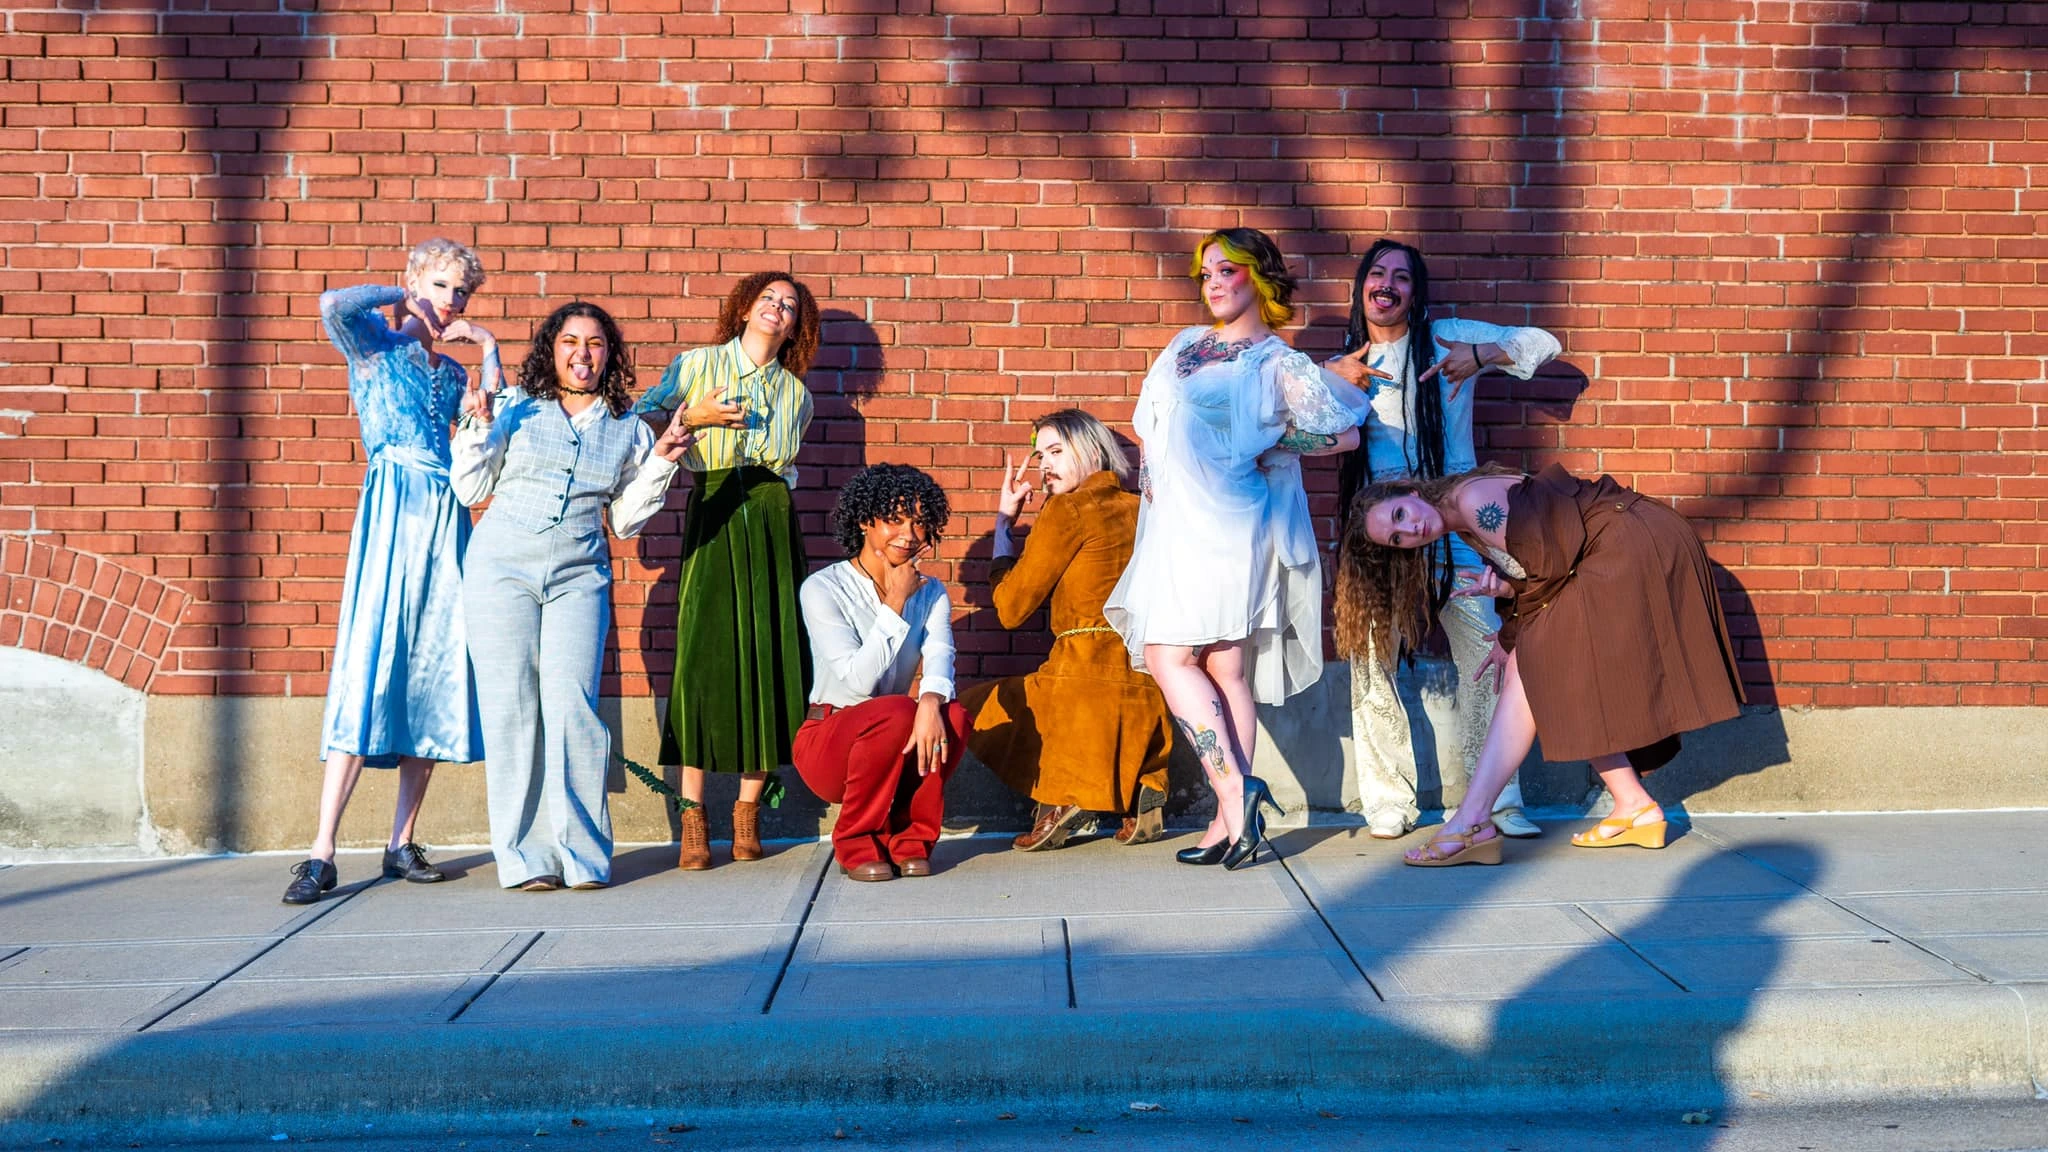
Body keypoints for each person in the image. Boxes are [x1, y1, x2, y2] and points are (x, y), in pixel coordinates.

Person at [1103, 227, 1368, 871]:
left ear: (1260, 277)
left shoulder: (1276, 361)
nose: (1214, 282)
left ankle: (1235, 789)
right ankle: (1232, 825)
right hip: (1173, 523)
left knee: (1168, 654)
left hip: (1228, 523)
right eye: (1206, 273)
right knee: (1223, 668)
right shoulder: (1185, 344)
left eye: (1228, 269)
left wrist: (1276, 446)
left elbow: (1343, 438)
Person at [1335, 464, 1746, 867]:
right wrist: (1508, 596)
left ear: (1409, 491)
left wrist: (1512, 634)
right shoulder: (1462, 516)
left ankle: (1472, 819)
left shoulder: (1473, 502)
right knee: (1554, 670)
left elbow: (1550, 569)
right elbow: (1543, 564)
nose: (1409, 531)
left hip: (1631, 542)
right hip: (1625, 543)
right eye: (1396, 538)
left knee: (1534, 662)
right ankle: (1633, 805)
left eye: (1400, 515)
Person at [1323, 238, 1563, 842]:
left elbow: (1545, 344)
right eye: (1376, 274)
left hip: (1455, 521)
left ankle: (1499, 795)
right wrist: (1328, 378)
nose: (1387, 285)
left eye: (1401, 277)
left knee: (1485, 647)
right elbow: (1288, 418)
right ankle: (1387, 800)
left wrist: (1481, 356)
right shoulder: (1341, 364)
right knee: (1372, 658)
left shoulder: (1447, 337)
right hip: (1385, 534)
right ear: (1361, 287)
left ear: (1415, 292)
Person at [454, 302, 695, 891]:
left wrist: (662, 459)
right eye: (569, 341)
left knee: (573, 707)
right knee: (512, 710)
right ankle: (526, 859)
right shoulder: (512, 408)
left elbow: (627, 522)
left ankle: (582, 858)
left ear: (609, 354)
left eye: (594, 343)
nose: (582, 353)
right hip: (500, 569)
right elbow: (469, 488)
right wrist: (477, 430)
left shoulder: (628, 427)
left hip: (579, 574)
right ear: (551, 350)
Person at [283, 239, 493, 905]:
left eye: (461, 292)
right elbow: (330, 304)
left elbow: (493, 427)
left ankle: (402, 840)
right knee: (368, 664)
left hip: (446, 519)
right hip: (391, 511)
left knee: (432, 668)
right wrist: (399, 297)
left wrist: (485, 347)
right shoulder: (373, 345)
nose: (451, 301)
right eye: (441, 286)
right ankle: (322, 851)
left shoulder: (453, 374)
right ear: (413, 283)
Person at [632, 272, 822, 871]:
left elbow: (786, 470)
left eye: (789, 305)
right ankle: (694, 818)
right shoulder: (697, 365)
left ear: (796, 326)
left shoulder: (799, 395)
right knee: (703, 660)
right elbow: (638, 420)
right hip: (712, 508)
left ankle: (747, 812)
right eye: (768, 298)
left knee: (765, 657)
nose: (777, 308)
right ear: (744, 309)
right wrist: (693, 416)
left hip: (769, 519)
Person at [962, 409, 1175, 851]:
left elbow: (1011, 608)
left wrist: (1005, 526)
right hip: (1149, 679)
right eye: (1040, 456)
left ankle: (1065, 796)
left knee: (976, 708)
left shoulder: (1069, 509)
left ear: (1093, 449)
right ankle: (1143, 787)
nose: (1044, 466)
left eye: (1056, 452)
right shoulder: (1146, 510)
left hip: (1083, 675)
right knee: (1110, 712)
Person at [794, 464, 969, 882]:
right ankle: (855, 842)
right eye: (894, 520)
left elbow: (941, 655)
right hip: (829, 738)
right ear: (865, 521)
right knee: (895, 710)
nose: (909, 534)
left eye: (920, 523)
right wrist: (894, 602)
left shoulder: (931, 592)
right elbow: (858, 683)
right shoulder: (823, 588)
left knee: (954, 717)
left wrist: (930, 701)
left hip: (895, 732)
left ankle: (909, 841)